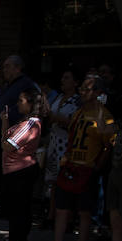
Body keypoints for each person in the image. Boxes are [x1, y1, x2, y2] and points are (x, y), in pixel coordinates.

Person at [45, 75, 116, 241]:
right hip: (70, 165)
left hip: (87, 169)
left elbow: (108, 145)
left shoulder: (105, 116)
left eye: (87, 89)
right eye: (82, 88)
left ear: (98, 92)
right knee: (62, 208)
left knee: (85, 212)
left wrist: (97, 166)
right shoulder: (78, 113)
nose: (82, 92)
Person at [0, 89, 46, 241]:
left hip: (20, 171)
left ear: (30, 103)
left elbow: (8, 145)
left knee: (18, 210)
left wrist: (4, 142)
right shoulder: (25, 122)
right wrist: (5, 121)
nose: (18, 104)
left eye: (21, 100)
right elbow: (6, 137)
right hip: (15, 170)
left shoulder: (30, 124)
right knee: (20, 209)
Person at [43, 70, 80, 225]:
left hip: (66, 145)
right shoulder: (58, 97)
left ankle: (67, 219)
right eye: (62, 77)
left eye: (67, 78)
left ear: (75, 82)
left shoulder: (78, 101)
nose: (63, 80)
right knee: (53, 182)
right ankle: (51, 216)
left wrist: (57, 118)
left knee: (65, 183)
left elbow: (75, 123)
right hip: (54, 143)